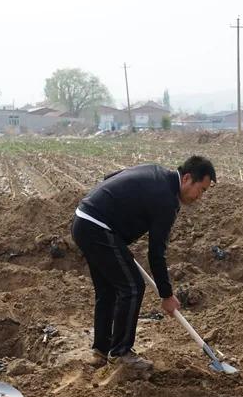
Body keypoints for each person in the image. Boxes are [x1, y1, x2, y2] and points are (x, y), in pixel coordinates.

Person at [71, 155, 216, 370]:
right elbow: (156, 252)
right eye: (201, 190)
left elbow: (110, 177)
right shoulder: (166, 201)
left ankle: (102, 349)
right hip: (97, 226)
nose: (199, 197)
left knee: (109, 289)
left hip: (83, 220)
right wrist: (166, 295)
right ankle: (120, 353)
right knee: (132, 286)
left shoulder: (155, 173)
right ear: (187, 179)